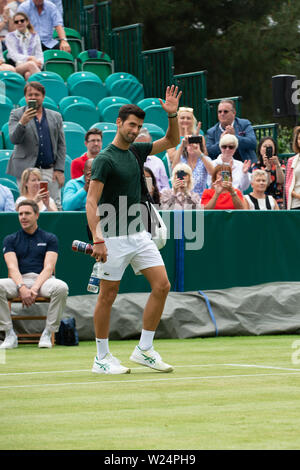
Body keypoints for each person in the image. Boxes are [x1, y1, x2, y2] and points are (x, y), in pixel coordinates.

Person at [86, 85, 182, 375]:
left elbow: (171, 140)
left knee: (162, 285)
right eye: (131, 125)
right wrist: (98, 239)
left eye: (139, 126)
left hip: (139, 234)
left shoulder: (138, 151)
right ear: (118, 123)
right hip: (111, 236)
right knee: (108, 295)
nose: (135, 130)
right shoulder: (105, 159)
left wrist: (173, 114)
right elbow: (91, 202)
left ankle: (144, 349)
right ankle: (101, 358)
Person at [0, 199, 68, 349]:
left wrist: (35, 288)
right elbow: (12, 268)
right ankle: (9, 334)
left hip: (43, 281)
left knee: (61, 287)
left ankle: (47, 333)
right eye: (20, 214)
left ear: (37, 215)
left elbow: (49, 267)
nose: (23, 217)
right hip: (18, 281)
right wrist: (22, 287)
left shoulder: (50, 238)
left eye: (27, 213)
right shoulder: (10, 239)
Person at [6, 81, 66, 209]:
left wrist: (59, 169)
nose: (33, 97)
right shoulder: (16, 114)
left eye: (36, 94)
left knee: (54, 204)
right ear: (25, 97)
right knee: (28, 205)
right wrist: (22, 122)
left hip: (49, 169)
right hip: (26, 170)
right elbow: (13, 139)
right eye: (30, 95)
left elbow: (61, 144)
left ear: (43, 97)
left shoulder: (55, 116)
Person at [5, 12, 43, 79]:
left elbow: (39, 53)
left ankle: (31, 88)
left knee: (28, 74)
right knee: (30, 64)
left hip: (34, 65)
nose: (19, 23)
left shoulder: (35, 35)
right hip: (17, 67)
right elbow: (13, 55)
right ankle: (44, 85)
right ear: (14, 24)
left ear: (27, 21)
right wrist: (29, 58)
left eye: (22, 21)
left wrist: (39, 63)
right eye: (16, 22)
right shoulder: (10, 36)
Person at [253, 136, 285, 208]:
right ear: (260, 149)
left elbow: (281, 181)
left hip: (279, 200)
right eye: (264, 146)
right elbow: (264, 184)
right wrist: (268, 168)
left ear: (274, 149)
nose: (267, 149)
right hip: (262, 200)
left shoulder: (281, 163)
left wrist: (277, 165)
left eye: (270, 147)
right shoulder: (256, 166)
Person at [135, 128, 170, 192]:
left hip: (156, 199)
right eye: (139, 145)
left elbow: (166, 187)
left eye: (146, 145)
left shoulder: (158, 162)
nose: (143, 148)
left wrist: (158, 194)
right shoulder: (126, 161)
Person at [284, 126, 300, 210]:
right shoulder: (291, 161)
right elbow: (287, 186)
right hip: (295, 204)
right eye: (299, 139)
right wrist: (297, 196)